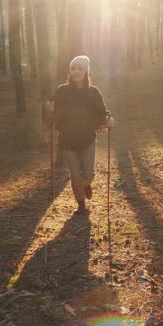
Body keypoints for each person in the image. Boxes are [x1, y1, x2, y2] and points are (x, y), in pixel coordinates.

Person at [45, 55, 114, 214]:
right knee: (75, 175)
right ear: (70, 71)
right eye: (73, 68)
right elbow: (51, 109)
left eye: (80, 68)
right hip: (67, 141)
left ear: (86, 71)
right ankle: (81, 204)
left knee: (88, 174)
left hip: (88, 139)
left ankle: (87, 184)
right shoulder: (62, 90)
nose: (76, 71)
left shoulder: (93, 92)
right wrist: (49, 109)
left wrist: (108, 119)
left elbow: (102, 111)